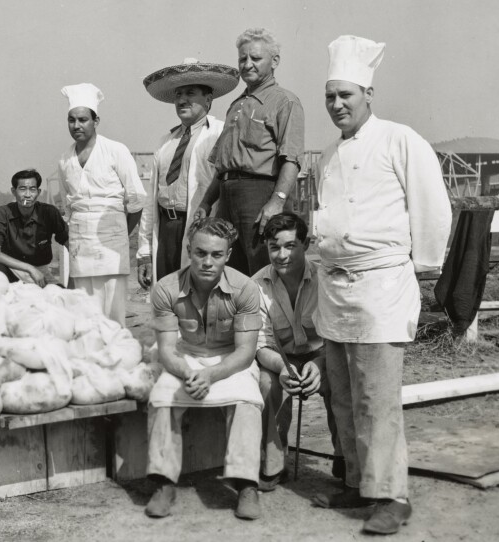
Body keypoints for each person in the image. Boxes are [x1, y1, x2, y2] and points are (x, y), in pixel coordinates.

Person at [311, 35, 452, 535]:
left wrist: (426, 269)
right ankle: (355, 481)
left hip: (381, 289)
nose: (336, 105)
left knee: (377, 397)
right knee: (342, 394)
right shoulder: (325, 156)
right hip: (335, 291)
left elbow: (432, 207)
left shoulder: (400, 139)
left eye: (345, 95)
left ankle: (392, 494)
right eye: (330, 96)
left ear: (368, 94)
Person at [144, 217, 264, 521]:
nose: (207, 262)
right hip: (186, 357)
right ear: (188, 249)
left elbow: (246, 352)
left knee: (248, 401)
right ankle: (164, 483)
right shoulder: (165, 289)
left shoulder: (246, 289)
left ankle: (246, 484)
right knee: (160, 399)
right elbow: (168, 349)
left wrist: (210, 375)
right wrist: (188, 373)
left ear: (228, 254)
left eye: (216, 255)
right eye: (200, 253)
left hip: (228, 361)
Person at [193, 27, 305, 276]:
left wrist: (277, 202)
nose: (247, 64)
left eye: (255, 58)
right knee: (230, 274)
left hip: (259, 196)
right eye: (243, 58)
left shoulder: (285, 101)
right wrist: (206, 202)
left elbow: (292, 159)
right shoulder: (236, 105)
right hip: (227, 197)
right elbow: (223, 166)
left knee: (264, 270)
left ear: (274, 61)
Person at [252, 212, 342, 491]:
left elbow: (337, 338)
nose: (281, 255)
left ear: (306, 244)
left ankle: (345, 455)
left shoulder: (325, 280)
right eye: (274, 247)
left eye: (290, 245)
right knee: (265, 383)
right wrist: (282, 369)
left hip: (322, 356)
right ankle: (272, 461)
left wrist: (320, 364)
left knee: (341, 379)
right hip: (281, 359)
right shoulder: (255, 285)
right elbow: (259, 345)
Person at [136, 58, 238, 288]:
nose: (182, 100)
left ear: (208, 99)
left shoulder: (221, 134)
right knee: (167, 296)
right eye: (178, 94)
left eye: (190, 93)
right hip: (166, 231)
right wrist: (144, 251)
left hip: (201, 229)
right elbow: (150, 202)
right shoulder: (166, 142)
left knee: (199, 298)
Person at [58, 83, 147, 326]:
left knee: (112, 316)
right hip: (80, 245)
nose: (77, 126)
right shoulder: (65, 160)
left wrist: (120, 234)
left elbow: (137, 200)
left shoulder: (115, 151)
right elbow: (67, 206)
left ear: (96, 121)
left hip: (112, 245)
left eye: (83, 119)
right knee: (84, 314)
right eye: (72, 120)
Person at [0, 169, 68, 287]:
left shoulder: (49, 212)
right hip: (10, 270)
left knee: (61, 296)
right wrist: (30, 269)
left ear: (38, 192)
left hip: (40, 272)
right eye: (22, 189)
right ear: (13, 191)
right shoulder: (2, 213)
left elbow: (68, 241)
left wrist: (78, 270)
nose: (28, 195)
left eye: (32, 189)